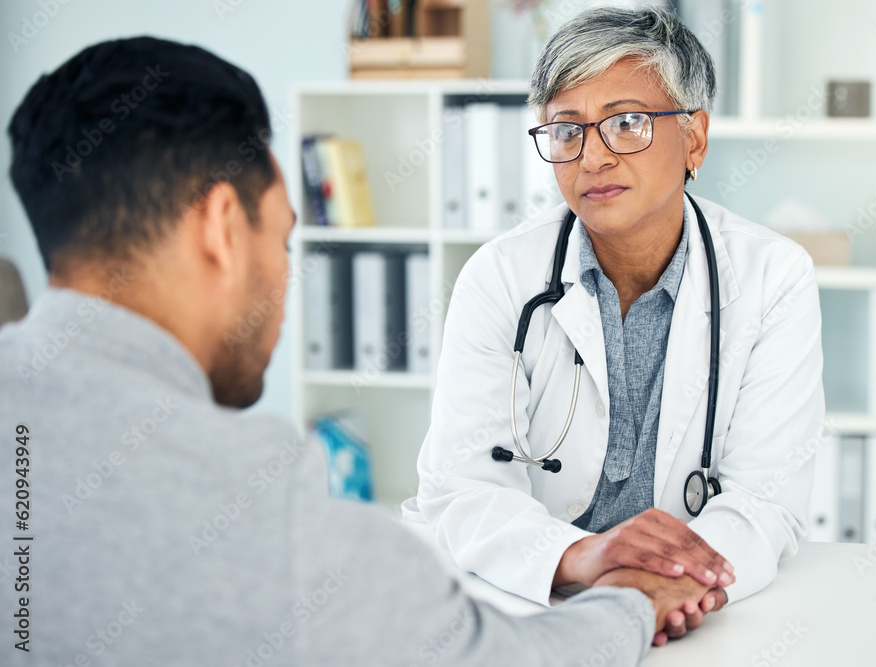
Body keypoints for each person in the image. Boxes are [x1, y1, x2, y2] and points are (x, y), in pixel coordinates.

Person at [0, 37, 716, 667]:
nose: (285, 280)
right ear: (221, 227)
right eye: (282, 239)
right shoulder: (268, 518)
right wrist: (627, 598)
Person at [408, 5, 825, 628]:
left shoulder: (774, 279)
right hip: (521, 604)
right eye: (566, 130)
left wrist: (665, 585)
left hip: (684, 611)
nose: (592, 157)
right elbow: (462, 489)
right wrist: (584, 557)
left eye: (627, 123)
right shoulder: (499, 278)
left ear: (695, 138)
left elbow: (764, 499)